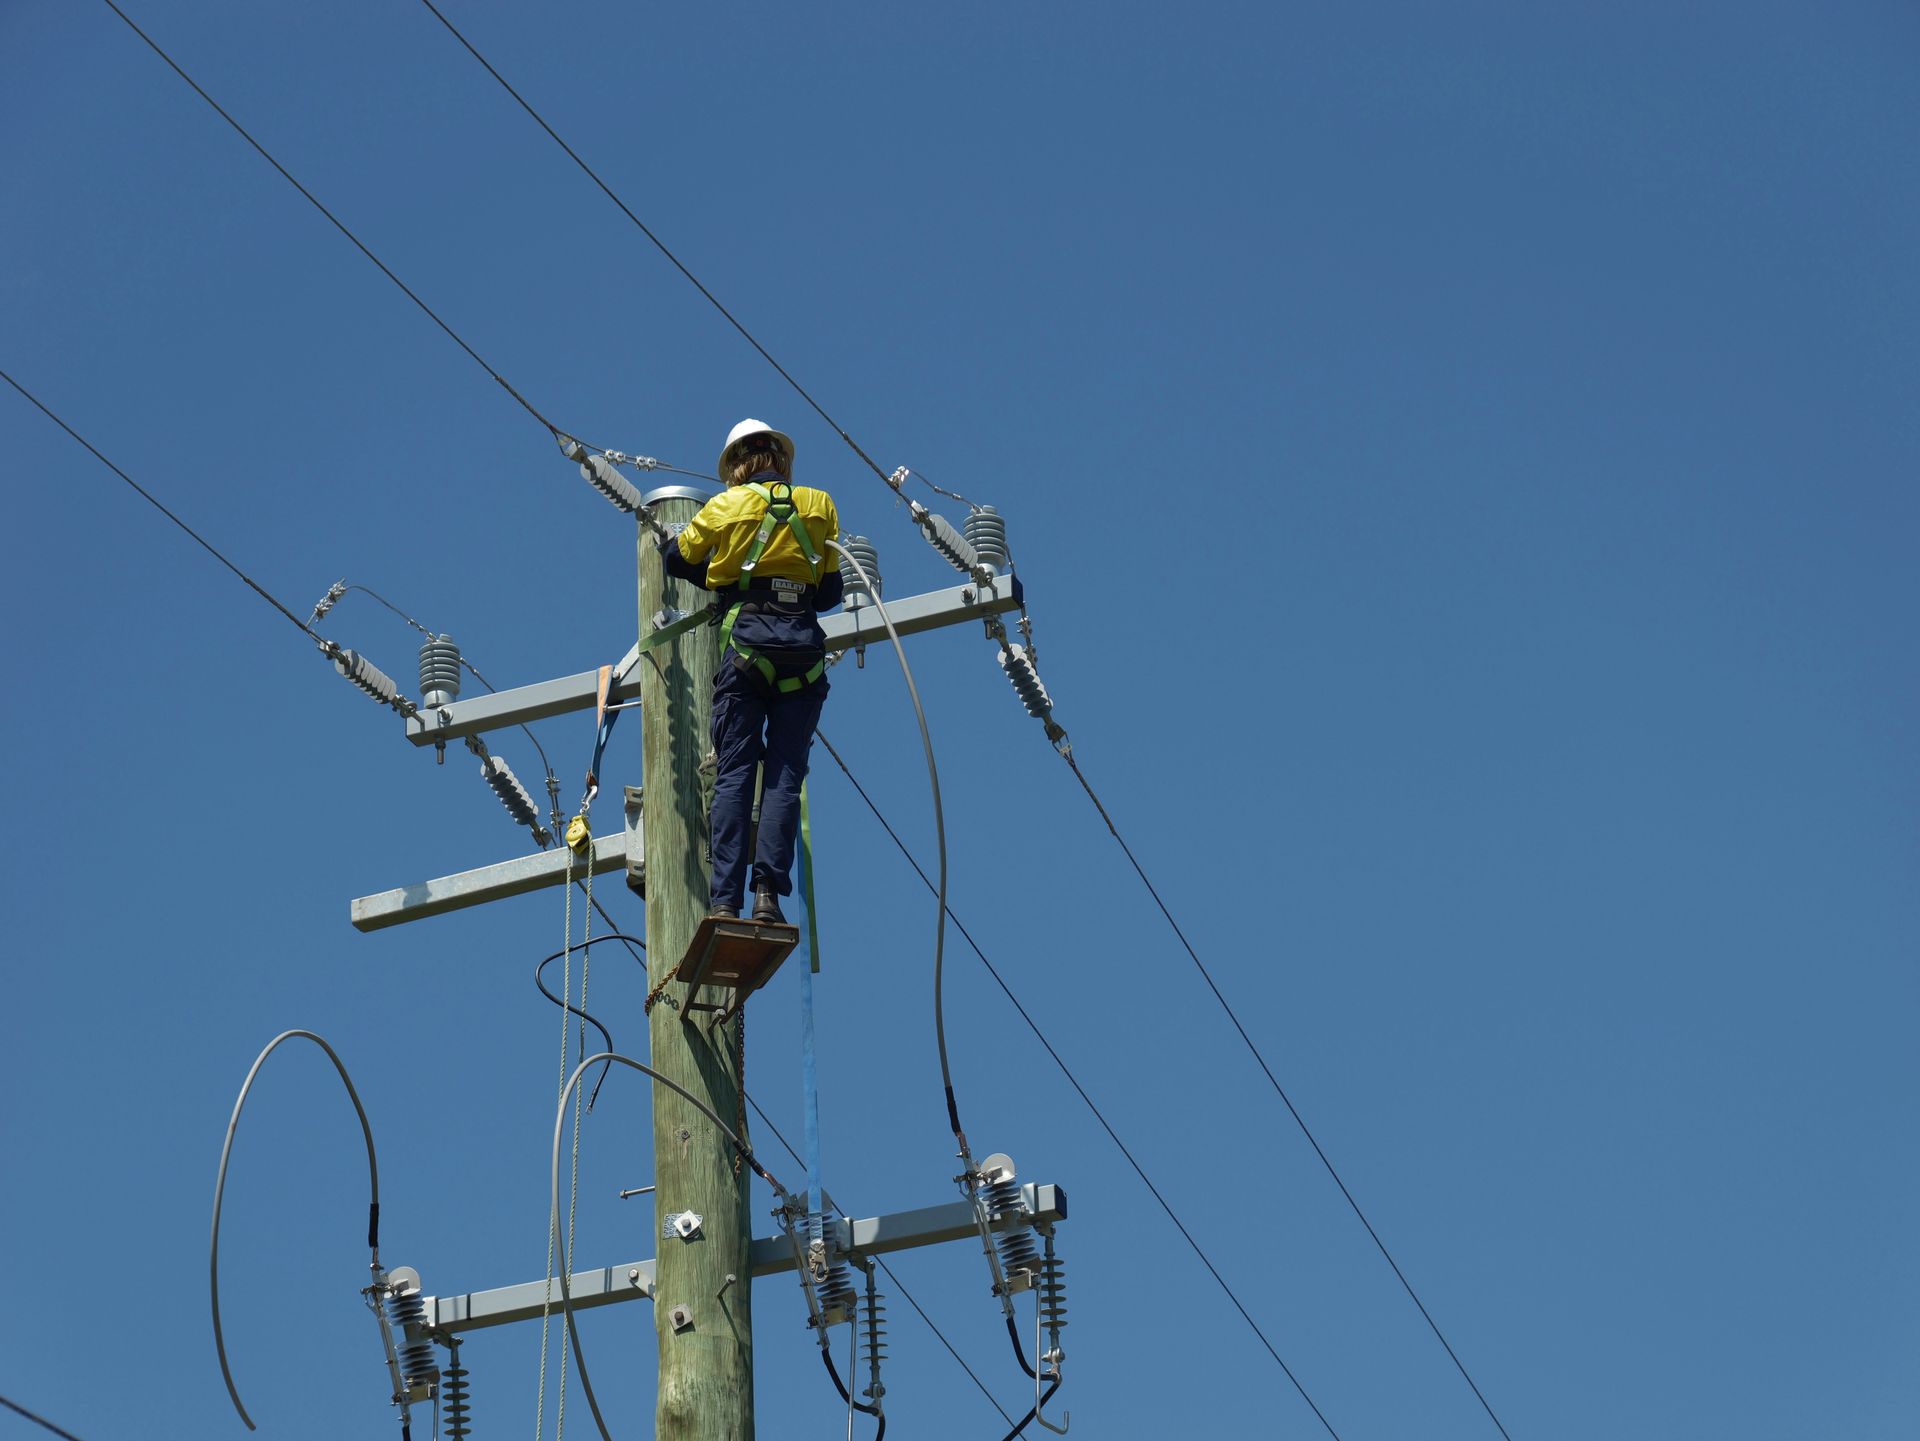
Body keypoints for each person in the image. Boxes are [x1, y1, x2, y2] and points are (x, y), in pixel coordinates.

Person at [660, 418, 842, 923]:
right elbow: (828, 593)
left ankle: (724, 900)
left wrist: (722, 574)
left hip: (746, 650)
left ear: (737, 467)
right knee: (784, 779)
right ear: (781, 461)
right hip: (803, 654)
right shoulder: (819, 505)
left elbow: (678, 558)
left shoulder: (725, 507)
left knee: (737, 772)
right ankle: (767, 898)